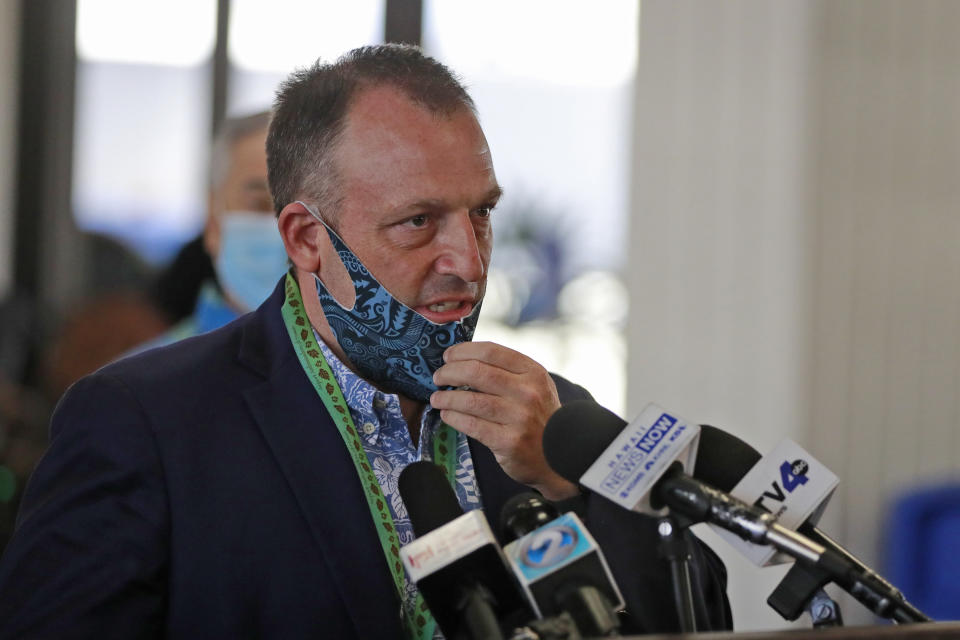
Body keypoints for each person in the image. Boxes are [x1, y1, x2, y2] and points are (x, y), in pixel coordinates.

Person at [0, 45, 731, 639]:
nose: (469, 263)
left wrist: (570, 485)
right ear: (306, 238)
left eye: (481, 215)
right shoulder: (144, 423)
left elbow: (698, 612)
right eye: (418, 221)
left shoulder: (548, 417)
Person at [141, 111, 287, 349]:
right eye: (260, 205)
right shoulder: (139, 382)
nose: (290, 230)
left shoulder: (362, 379)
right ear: (213, 223)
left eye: (310, 209)